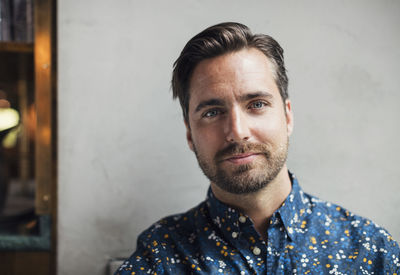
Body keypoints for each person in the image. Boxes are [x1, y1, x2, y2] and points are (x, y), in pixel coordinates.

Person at [116, 22, 400, 274]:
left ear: (287, 116)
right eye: (213, 112)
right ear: (190, 134)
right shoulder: (160, 258)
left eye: (257, 105)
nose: (237, 131)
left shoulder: (369, 252)